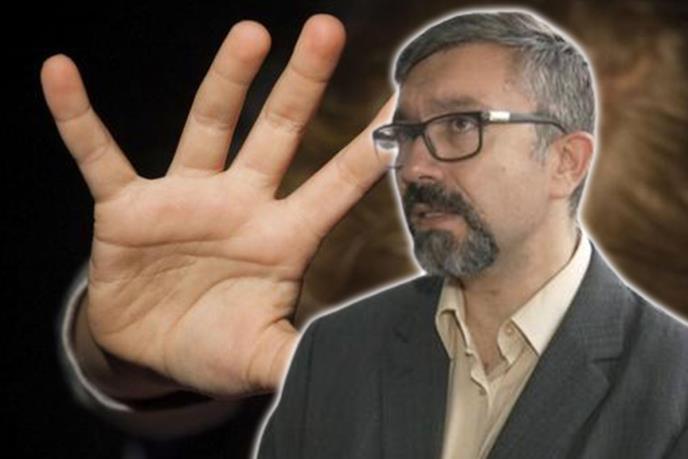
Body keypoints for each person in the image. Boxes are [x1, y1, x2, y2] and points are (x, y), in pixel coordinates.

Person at [42, 9, 688, 459]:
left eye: (464, 129)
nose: (416, 166)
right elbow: (190, 373)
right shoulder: (330, 336)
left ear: (568, 163)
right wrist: (129, 360)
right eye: (409, 132)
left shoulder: (665, 382)